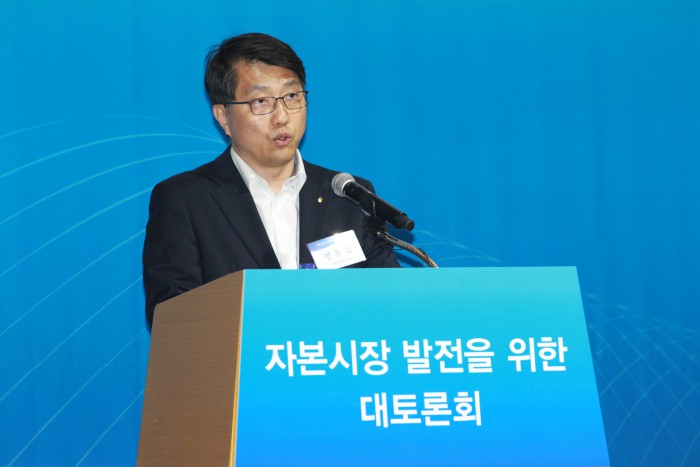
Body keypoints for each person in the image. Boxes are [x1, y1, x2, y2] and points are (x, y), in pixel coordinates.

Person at [142, 33, 399, 327]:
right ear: (223, 117)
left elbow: (390, 301)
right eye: (261, 101)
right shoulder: (185, 200)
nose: (282, 117)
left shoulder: (348, 195)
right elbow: (172, 317)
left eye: (292, 97)